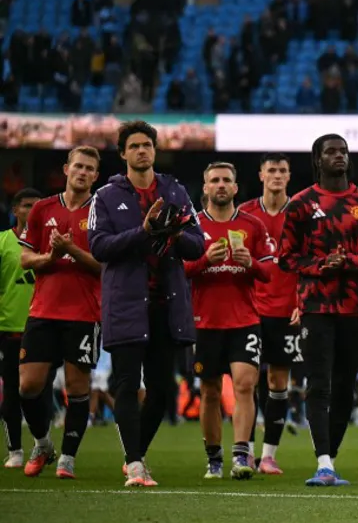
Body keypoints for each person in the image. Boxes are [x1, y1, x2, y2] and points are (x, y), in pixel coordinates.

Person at [89, 122, 205, 488]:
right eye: (135, 146)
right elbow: (99, 247)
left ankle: (135, 455)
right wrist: (144, 231)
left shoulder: (175, 191)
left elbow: (197, 245)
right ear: (123, 153)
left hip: (167, 304)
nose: (142, 151)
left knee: (163, 390)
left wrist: (174, 232)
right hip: (126, 303)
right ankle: (136, 463)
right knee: (126, 383)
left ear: (155, 150)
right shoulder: (105, 196)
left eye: (147, 145)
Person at [280, 134, 358, 487]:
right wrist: (321, 265)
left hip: (355, 308)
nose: (338, 156)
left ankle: (331, 459)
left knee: (344, 387)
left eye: (343, 151)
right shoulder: (300, 204)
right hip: (316, 306)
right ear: (317, 159)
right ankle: (323, 463)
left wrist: (348, 261)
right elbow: (286, 258)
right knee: (319, 384)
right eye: (331, 152)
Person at [188, 162, 277, 480]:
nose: (221, 184)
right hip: (204, 322)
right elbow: (177, 270)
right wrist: (204, 261)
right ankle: (214, 459)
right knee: (210, 391)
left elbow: (269, 272)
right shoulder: (193, 226)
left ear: (236, 187)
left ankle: (241, 455)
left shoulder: (253, 225)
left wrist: (250, 263)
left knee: (244, 385)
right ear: (206, 187)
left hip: (244, 321)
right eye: (215, 180)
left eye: (227, 180)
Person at [16, 149, 102, 480]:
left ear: (96, 176)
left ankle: (67, 458)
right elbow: (25, 259)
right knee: (28, 385)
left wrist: (70, 250)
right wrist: (50, 257)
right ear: (66, 169)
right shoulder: (42, 208)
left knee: (78, 387)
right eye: (78, 165)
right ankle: (42, 444)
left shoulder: (101, 212)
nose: (82, 172)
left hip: (84, 312)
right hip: (44, 310)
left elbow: (104, 266)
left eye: (89, 168)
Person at [238, 152, 298, 475]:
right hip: (250, 309)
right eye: (271, 170)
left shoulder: (300, 213)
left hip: (287, 310)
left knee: (277, 381)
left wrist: (302, 301)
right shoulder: (245, 213)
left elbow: (308, 261)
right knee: (246, 382)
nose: (276, 175)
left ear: (289, 176)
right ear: (261, 175)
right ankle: (245, 452)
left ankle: (269, 455)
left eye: (282, 170)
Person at [1, 188, 42, 468]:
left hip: (42, 327)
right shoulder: (3, 242)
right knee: (12, 391)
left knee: (40, 392)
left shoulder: (51, 242)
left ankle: (41, 443)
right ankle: (15, 450)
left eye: (37, 206)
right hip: (10, 329)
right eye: (27, 205)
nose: (32, 210)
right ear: (15, 210)